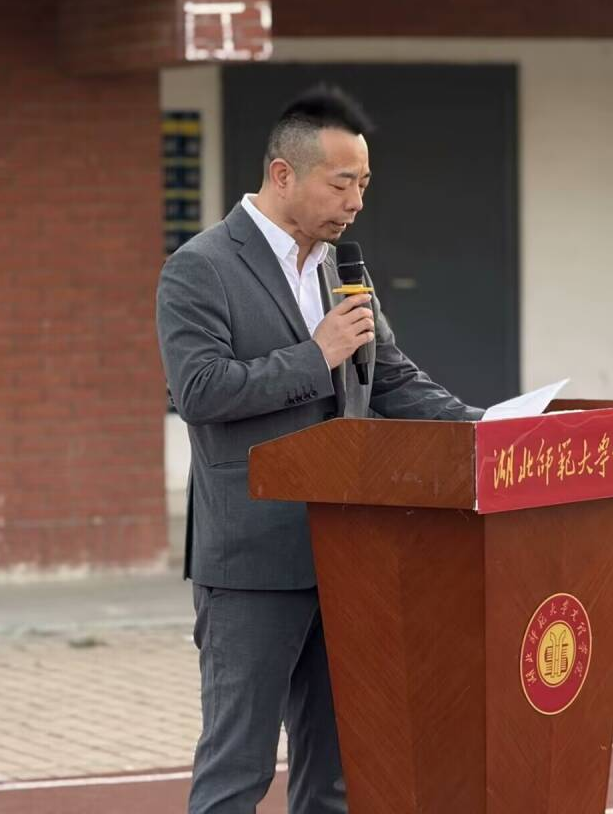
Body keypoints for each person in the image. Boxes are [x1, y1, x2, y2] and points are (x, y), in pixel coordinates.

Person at [156, 84, 483, 814]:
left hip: (346, 549)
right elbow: (199, 392)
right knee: (237, 771)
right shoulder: (201, 267)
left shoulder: (344, 269)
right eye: (341, 183)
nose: (356, 201)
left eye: (363, 184)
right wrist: (316, 355)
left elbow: (391, 379)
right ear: (283, 174)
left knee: (335, 773)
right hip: (252, 561)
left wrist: (486, 426)